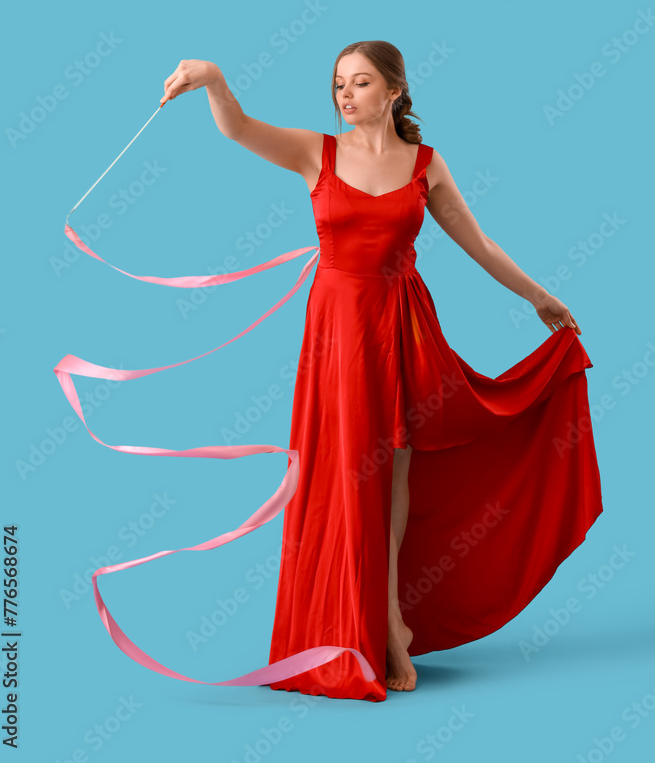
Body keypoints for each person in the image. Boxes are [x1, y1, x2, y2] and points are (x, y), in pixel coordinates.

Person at [159, 40, 602, 701]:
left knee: (393, 467)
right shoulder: (317, 151)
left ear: (394, 90)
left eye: (360, 82)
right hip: (336, 331)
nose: (345, 94)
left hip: (400, 326)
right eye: (338, 83)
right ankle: (344, 623)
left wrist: (536, 295)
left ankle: (390, 621)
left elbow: (476, 242)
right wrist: (215, 81)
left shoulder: (425, 164)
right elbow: (240, 128)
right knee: (339, 470)